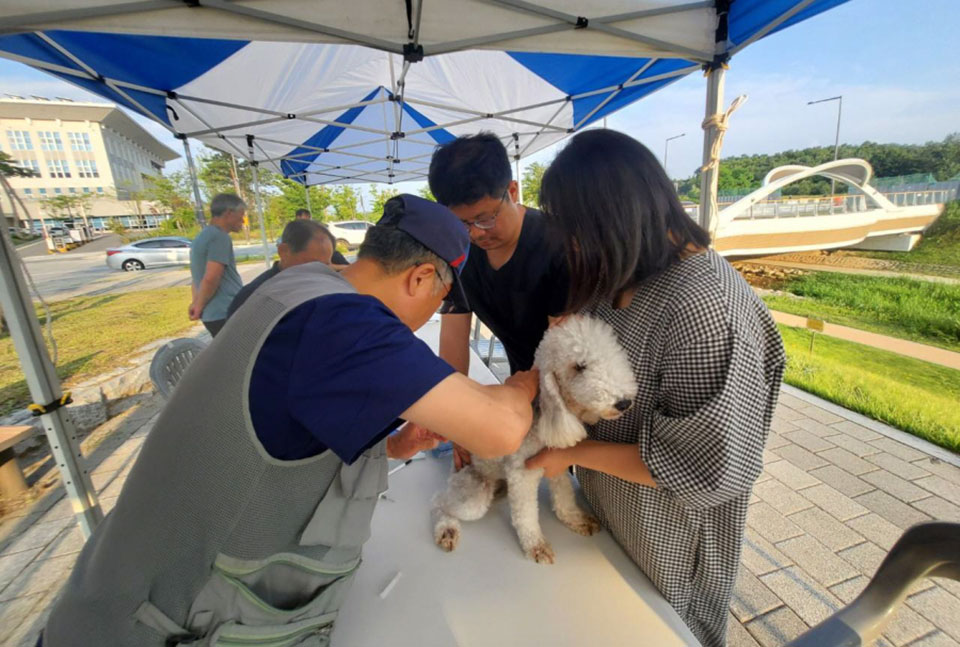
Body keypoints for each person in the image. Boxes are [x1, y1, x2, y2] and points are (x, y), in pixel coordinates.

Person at [40, 194, 538, 647]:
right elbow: (502, 429)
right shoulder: (350, 327)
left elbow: (284, 421)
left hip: (111, 592)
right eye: (443, 300)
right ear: (422, 278)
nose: (437, 311)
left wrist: (390, 447)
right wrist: (531, 379)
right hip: (162, 623)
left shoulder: (304, 282)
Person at [526, 130, 786, 647]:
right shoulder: (623, 275)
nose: (570, 245)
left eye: (575, 229)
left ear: (616, 217)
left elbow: (706, 467)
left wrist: (568, 456)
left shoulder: (705, 307)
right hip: (609, 514)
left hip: (668, 541)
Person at [429, 132, 569, 469]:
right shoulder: (459, 255)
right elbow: (452, 340)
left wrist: (514, 399)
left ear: (512, 191)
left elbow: (562, 348)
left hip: (568, 388)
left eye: (485, 217)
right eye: (462, 223)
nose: (476, 233)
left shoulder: (556, 244)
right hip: (519, 387)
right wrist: (457, 419)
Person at [226, 219, 334, 319]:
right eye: (311, 265)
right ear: (284, 251)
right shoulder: (252, 298)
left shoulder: (322, 287)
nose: (320, 274)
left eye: (325, 266)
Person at [188, 193, 245, 337]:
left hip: (212, 314)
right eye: (241, 215)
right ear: (229, 213)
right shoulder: (219, 237)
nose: (243, 220)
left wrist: (196, 303)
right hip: (225, 310)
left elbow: (196, 278)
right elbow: (211, 277)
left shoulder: (202, 236)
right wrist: (199, 306)